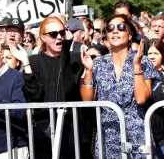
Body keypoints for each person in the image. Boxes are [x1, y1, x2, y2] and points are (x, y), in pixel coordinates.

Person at [80, 14, 160, 158]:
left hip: (137, 134)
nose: (115, 31)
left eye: (121, 27)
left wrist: (136, 66)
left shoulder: (144, 61)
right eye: (110, 28)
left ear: (129, 35)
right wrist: (89, 70)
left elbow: (141, 99)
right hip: (107, 133)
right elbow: (87, 100)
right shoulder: (98, 63)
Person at [14, 16, 85, 158]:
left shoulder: (76, 58)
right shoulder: (34, 61)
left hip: (71, 129)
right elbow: (36, 95)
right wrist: (26, 64)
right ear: (42, 38)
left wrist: (66, 50)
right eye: (53, 34)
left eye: (62, 33)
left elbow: (68, 89)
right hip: (44, 130)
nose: (59, 37)